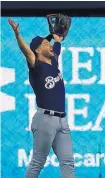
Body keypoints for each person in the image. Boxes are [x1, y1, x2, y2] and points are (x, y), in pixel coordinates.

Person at [8, 18, 75, 178]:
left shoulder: (53, 61)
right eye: (46, 45)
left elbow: (56, 45)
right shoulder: (35, 66)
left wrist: (54, 37)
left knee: (68, 162)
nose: (50, 46)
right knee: (38, 162)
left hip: (62, 121)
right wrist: (18, 34)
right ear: (38, 51)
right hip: (45, 119)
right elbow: (27, 52)